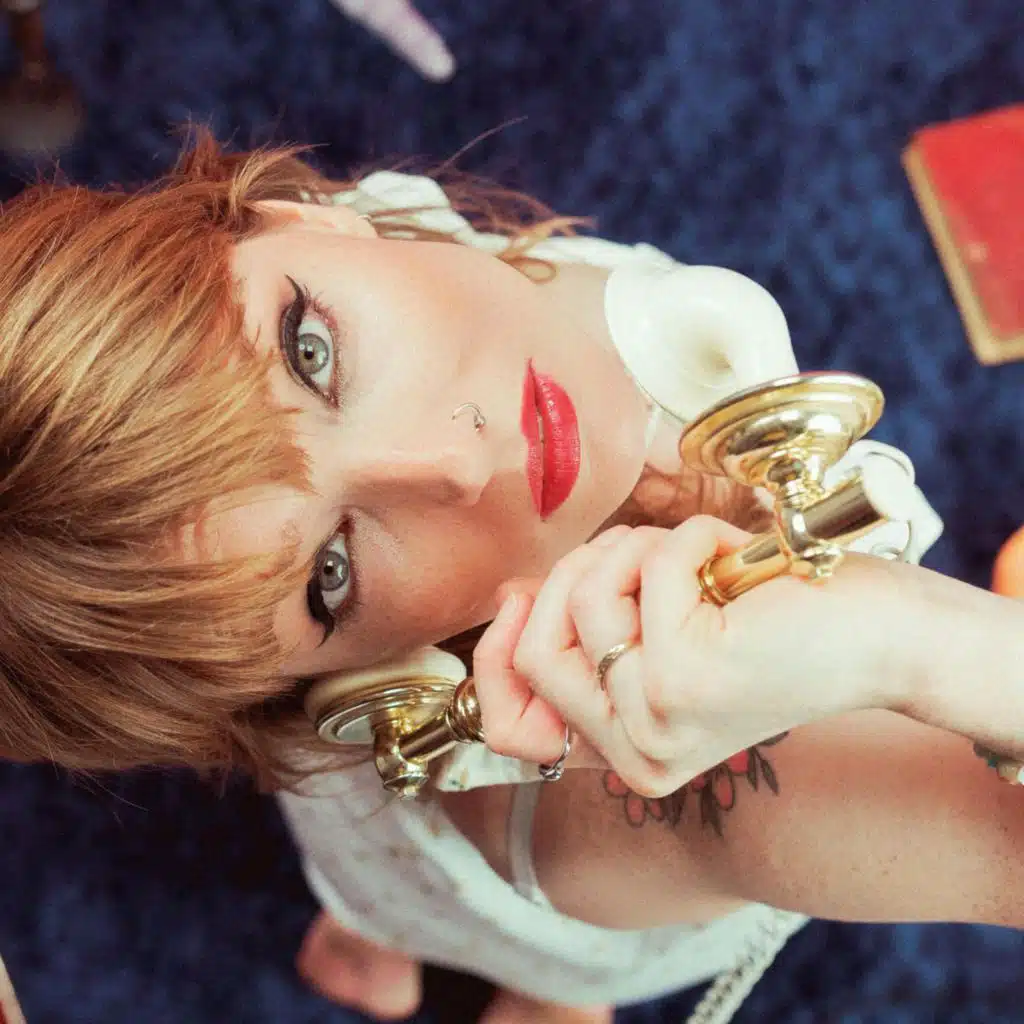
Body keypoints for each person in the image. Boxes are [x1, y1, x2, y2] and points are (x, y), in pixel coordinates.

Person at [0, 131, 990, 1024]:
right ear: (304, 693)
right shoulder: (684, 773)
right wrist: (908, 643)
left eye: (311, 353)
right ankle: (531, 983)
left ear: (299, 218)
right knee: (523, 935)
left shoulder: (392, 231)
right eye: (329, 573)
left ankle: (373, 936)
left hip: (379, 833)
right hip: (479, 830)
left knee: (381, 886)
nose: (457, 459)